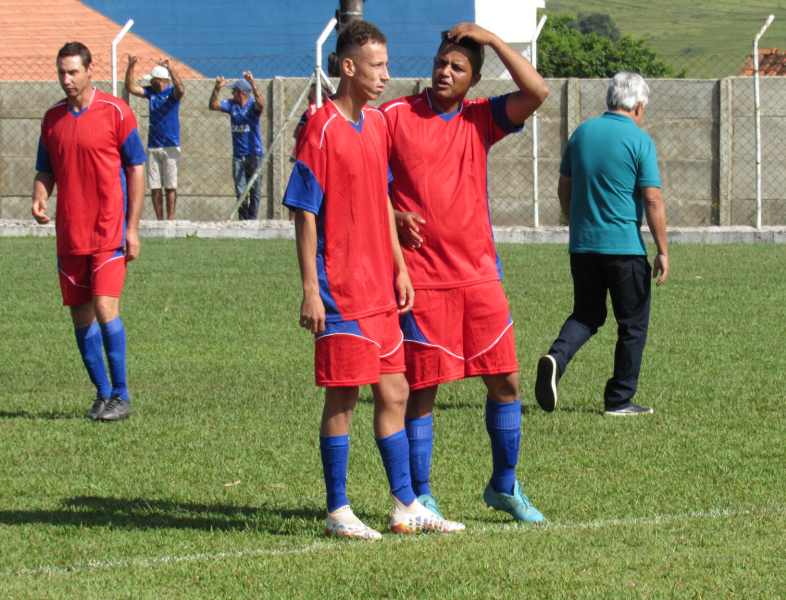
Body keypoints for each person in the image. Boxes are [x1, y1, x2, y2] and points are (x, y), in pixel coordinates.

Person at [282, 20, 464, 540]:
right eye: (377, 66)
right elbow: (304, 212)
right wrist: (311, 290)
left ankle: (404, 504)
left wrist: (400, 268)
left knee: (395, 390)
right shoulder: (320, 128)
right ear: (347, 67)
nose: (386, 75)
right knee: (342, 399)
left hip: (380, 292)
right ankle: (337, 509)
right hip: (339, 292)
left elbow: (384, 198)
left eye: (386, 65)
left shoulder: (378, 125)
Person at [380, 23, 548, 523]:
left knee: (507, 383)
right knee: (422, 390)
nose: (445, 72)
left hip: (479, 277)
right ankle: (422, 495)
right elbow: (361, 175)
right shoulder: (395, 116)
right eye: (440, 63)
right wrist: (392, 215)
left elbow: (537, 91)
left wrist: (494, 41)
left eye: (457, 67)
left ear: (474, 79)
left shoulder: (481, 119)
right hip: (422, 278)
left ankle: (503, 485)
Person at [534, 72, 669, 417]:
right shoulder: (640, 140)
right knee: (633, 324)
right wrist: (663, 250)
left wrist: (577, 222)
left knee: (587, 314)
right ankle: (619, 400)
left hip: (583, 247)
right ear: (639, 106)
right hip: (624, 249)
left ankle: (556, 358)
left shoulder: (582, 133)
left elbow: (564, 188)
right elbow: (652, 199)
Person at [31, 41, 147, 421]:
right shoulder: (52, 119)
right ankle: (102, 395)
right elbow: (45, 168)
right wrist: (39, 197)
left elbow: (136, 168)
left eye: (73, 72)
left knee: (104, 307)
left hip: (108, 231)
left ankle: (122, 394)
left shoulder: (116, 111)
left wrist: (132, 227)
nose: (66, 79)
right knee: (80, 316)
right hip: (70, 235)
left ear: (89, 70)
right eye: (61, 72)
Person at [124, 56, 184, 221]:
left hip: (171, 145)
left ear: (160, 80)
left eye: (153, 80)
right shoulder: (150, 92)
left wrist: (171, 69)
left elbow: (181, 89)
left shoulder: (172, 93)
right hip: (153, 145)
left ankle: (170, 220)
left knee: (170, 186)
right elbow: (130, 87)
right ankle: (160, 220)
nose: (150, 83)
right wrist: (131, 66)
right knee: (155, 186)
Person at [210, 72, 264, 220]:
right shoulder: (231, 105)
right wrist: (217, 88)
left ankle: (252, 221)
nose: (232, 92)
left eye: (234, 90)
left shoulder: (252, 104)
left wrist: (253, 84)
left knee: (254, 191)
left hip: (254, 154)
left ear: (240, 92)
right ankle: (243, 219)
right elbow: (213, 105)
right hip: (238, 155)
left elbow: (262, 104)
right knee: (240, 191)